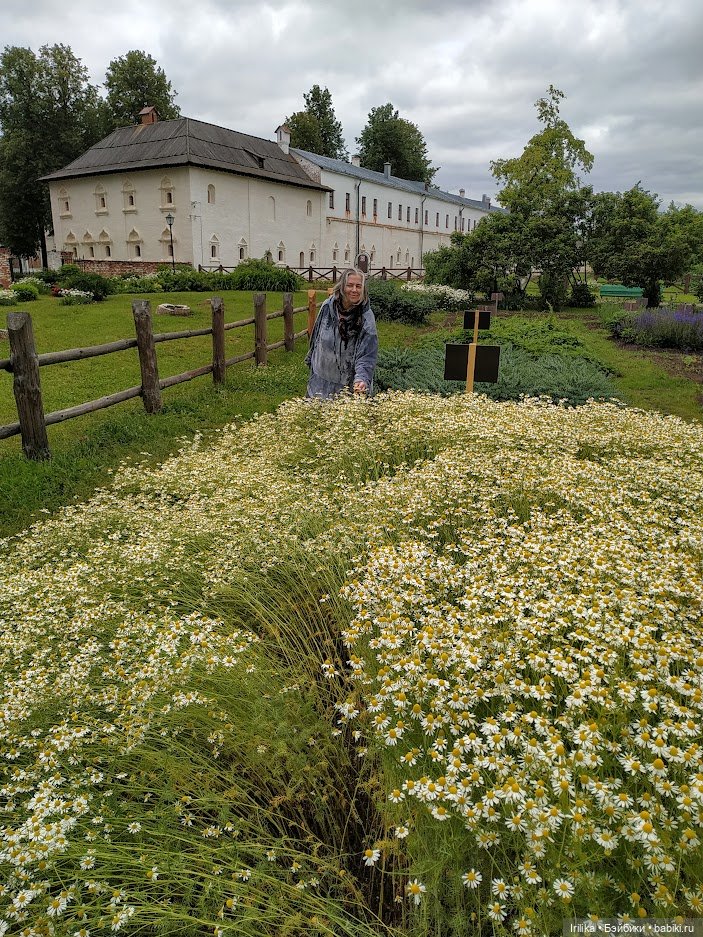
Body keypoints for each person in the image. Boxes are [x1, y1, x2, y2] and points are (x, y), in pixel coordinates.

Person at [305, 267, 378, 399]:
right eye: (350, 285)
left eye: (358, 286)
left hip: (347, 385)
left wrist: (361, 379)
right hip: (320, 382)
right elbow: (316, 338)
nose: (354, 290)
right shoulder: (328, 306)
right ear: (342, 286)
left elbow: (367, 354)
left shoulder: (366, 317)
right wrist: (311, 361)